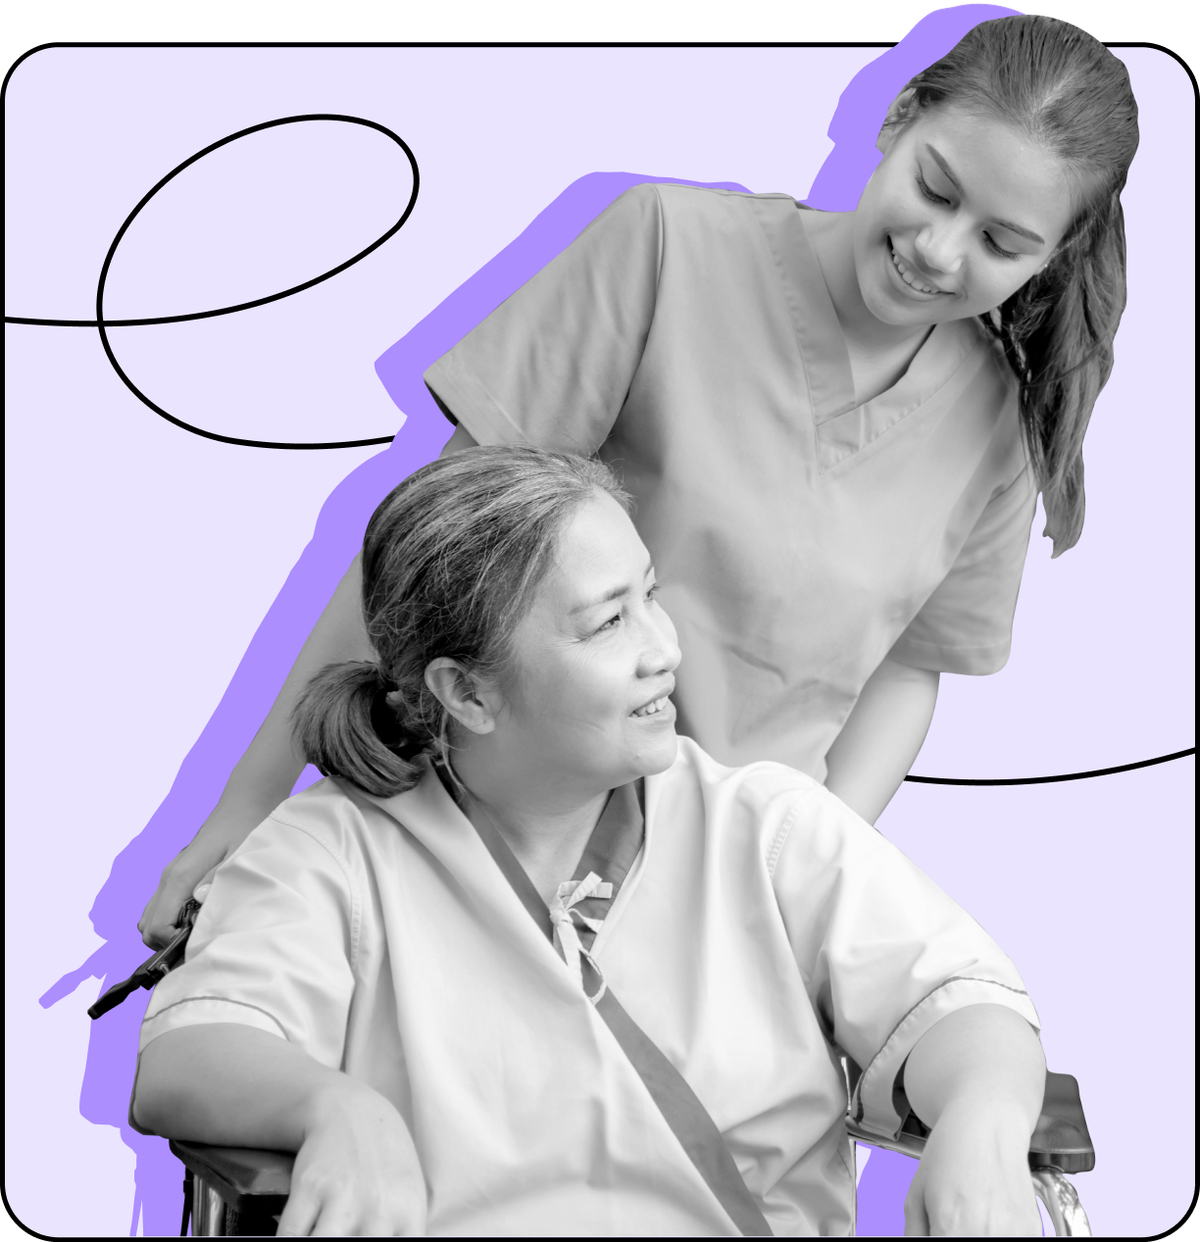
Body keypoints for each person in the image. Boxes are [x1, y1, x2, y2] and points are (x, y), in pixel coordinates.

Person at [139, 14, 1139, 949]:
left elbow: (908, 671)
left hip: (720, 904)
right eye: (935, 188)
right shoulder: (663, 247)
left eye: (1003, 244)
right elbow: (424, 562)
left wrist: (805, 871)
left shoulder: (1000, 425)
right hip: (491, 849)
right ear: (897, 116)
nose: (938, 249)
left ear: (1051, 259)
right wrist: (245, 814)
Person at [131, 447, 1047, 1237]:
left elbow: (958, 1000)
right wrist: (333, 1106)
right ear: (469, 693)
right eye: (608, 622)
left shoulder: (765, 827)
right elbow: (189, 1051)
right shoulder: (329, 852)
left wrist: (985, 1117)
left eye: (650, 596)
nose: (663, 649)